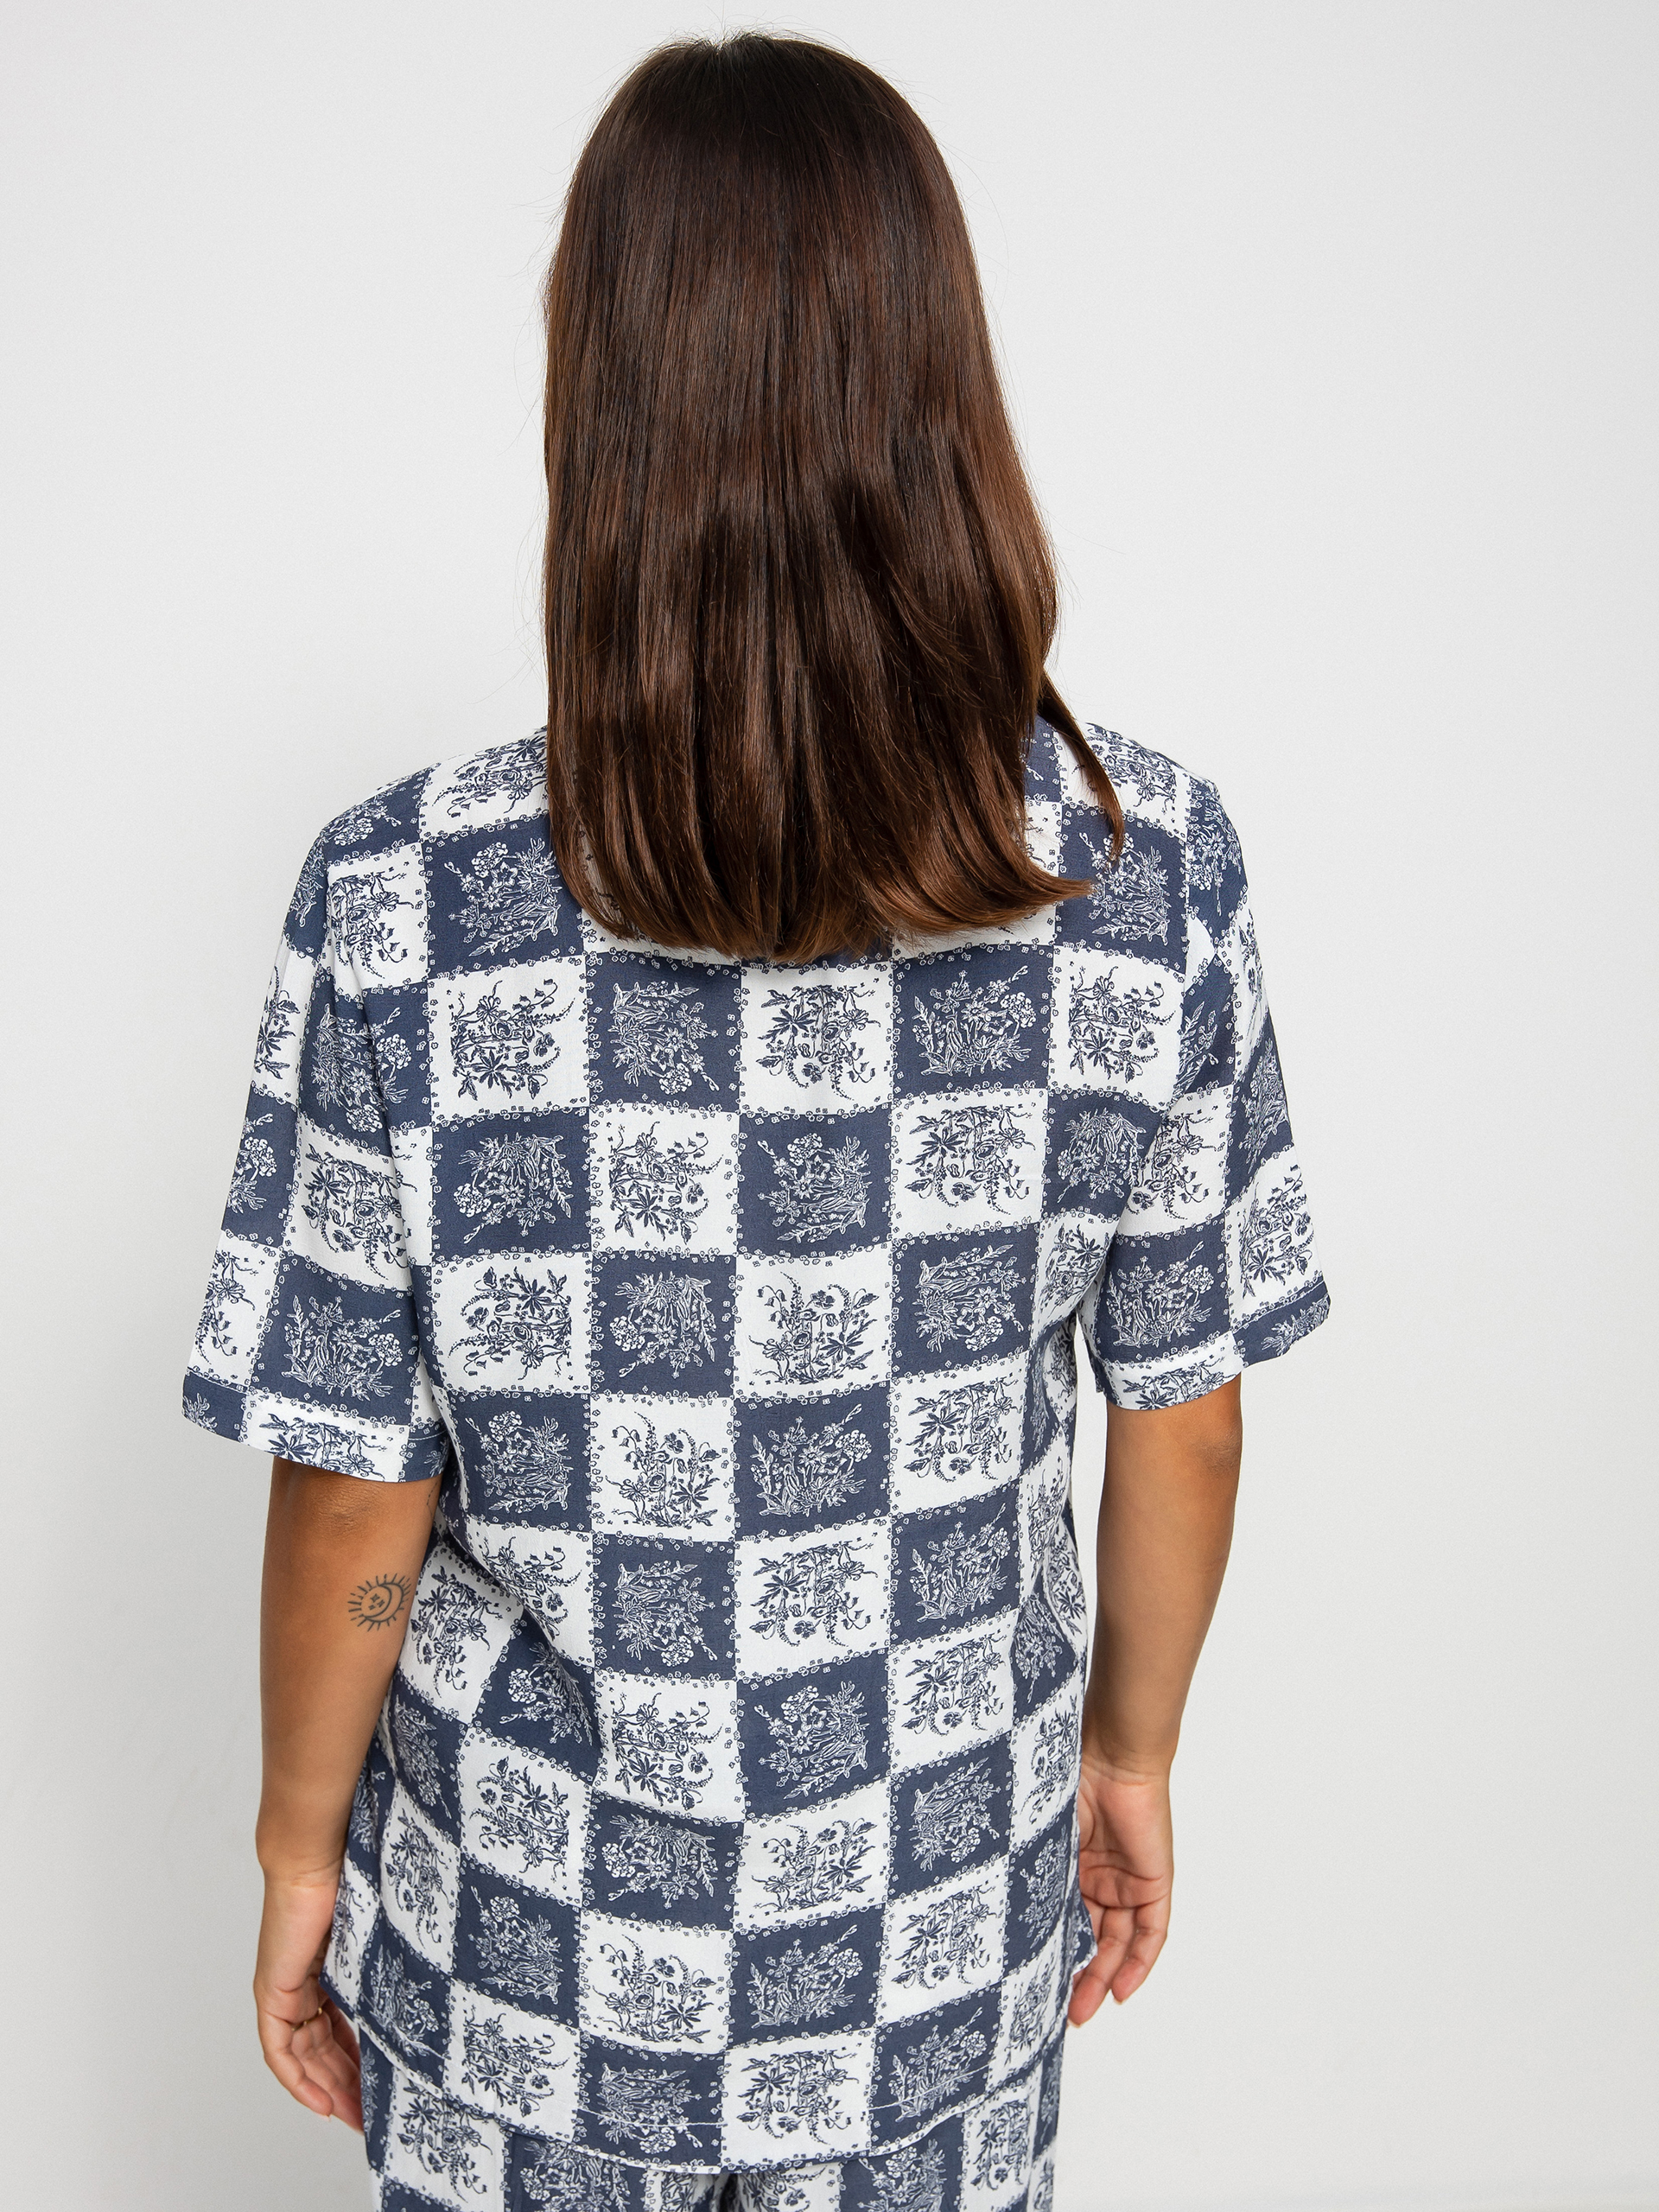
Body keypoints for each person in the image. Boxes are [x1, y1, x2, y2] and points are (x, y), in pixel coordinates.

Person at [182, 32, 1329, 2212]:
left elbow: (354, 1489)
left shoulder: (405, 899)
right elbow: (1183, 1411)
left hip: (531, 1971)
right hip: (929, 1947)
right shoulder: (1142, 869)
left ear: (601, 401)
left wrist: (296, 1852)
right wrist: (1132, 1750)